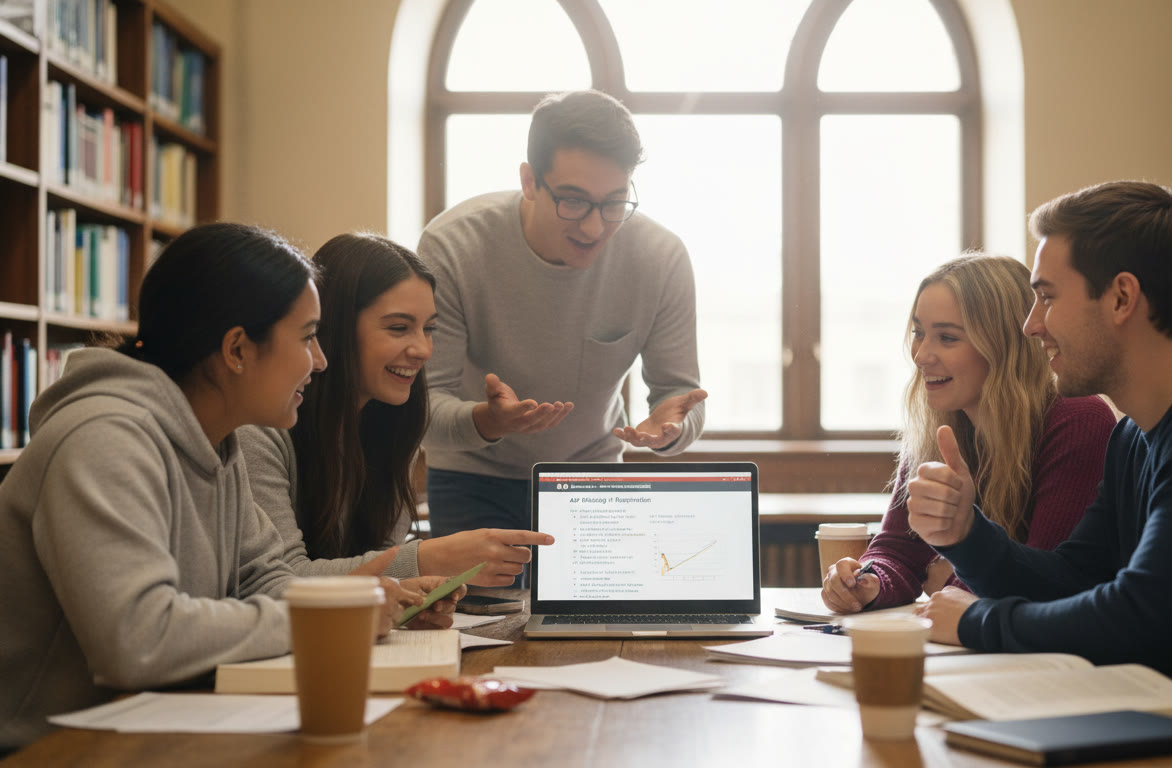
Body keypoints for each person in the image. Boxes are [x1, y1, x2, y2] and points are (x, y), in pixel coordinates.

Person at [908, 181, 1172, 764]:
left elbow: (1144, 619)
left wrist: (978, 623)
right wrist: (968, 534)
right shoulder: (1134, 435)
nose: (1032, 325)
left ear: (1121, 299)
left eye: (1046, 297)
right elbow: (1071, 581)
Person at [0, 223, 453, 751]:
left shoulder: (216, 441)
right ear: (238, 349)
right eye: (308, 338)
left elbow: (265, 579)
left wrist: (368, 601)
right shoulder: (104, 438)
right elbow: (137, 639)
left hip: (156, 726)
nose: (321, 361)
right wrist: (333, 622)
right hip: (49, 748)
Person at [417, 89, 708, 554]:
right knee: (479, 625)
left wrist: (671, 432)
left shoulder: (660, 257)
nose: (594, 227)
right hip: (472, 476)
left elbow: (682, 397)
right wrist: (486, 421)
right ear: (529, 181)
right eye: (572, 201)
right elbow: (421, 407)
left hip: (592, 478)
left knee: (596, 626)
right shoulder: (452, 246)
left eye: (614, 202)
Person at [239, 233, 554, 587]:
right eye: (399, 328)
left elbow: (378, 563)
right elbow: (280, 580)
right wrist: (421, 560)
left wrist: (408, 597)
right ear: (332, 328)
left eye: (429, 329)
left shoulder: (394, 421)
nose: (422, 349)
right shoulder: (258, 430)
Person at [820, 254, 1114, 614]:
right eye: (918, 333)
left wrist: (946, 574)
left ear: (1003, 344)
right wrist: (868, 580)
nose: (921, 355)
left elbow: (1045, 580)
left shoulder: (1077, 421)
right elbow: (898, 549)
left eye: (947, 337)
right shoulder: (938, 425)